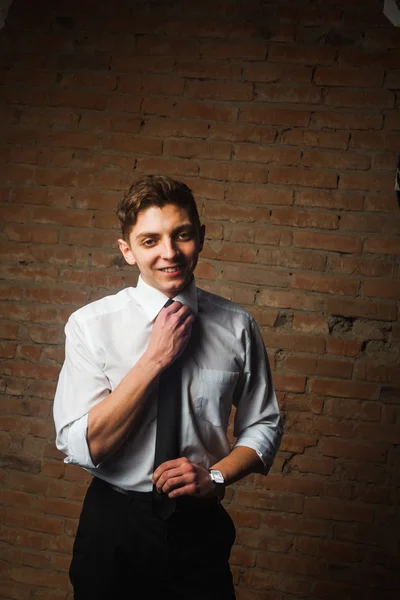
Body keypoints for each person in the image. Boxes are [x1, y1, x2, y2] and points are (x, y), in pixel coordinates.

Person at [53, 174, 282, 600]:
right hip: (114, 527)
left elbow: (264, 426)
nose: (169, 253)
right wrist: (155, 358)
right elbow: (84, 447)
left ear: (201, 237)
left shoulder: (238, 326)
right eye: (150, 240)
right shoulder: (90, 326)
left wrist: (216, 477)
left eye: (182, 235)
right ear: (127, 251)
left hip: (199, 526)